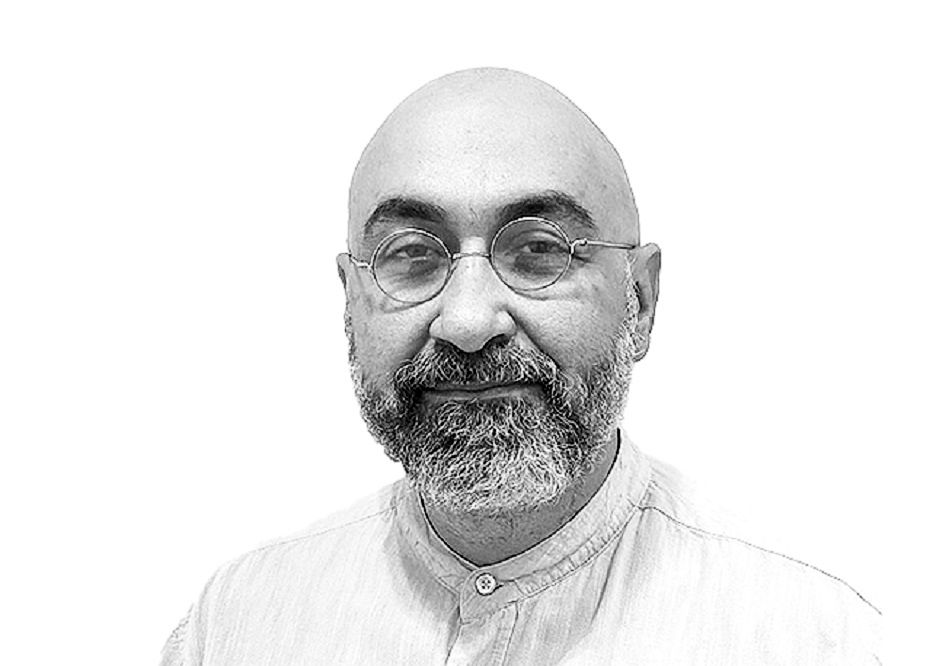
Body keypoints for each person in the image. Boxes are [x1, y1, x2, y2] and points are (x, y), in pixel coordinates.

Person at [161, 68, 880, 665]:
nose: (469, 322)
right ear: (350, 304)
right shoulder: (237, 625)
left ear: (640, 301)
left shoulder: (817, 636)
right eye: (411, 254)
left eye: (539, 251)